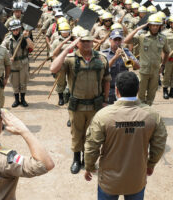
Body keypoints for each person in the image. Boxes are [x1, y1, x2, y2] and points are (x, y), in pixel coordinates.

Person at [84, 71, 167, 200]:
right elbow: (159, 145)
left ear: (116, 90)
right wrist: (151, 165)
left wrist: (89, 166)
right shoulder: (152, 116)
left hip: (109, 181)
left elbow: (92, 146)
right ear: (138, 89)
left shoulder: (103, 116)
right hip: (136, 179)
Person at [50, 30, 111, 174]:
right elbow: (53, 68)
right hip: (76, 105)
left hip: (95, 104)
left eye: (89, 40)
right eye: (83, 41)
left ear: (92, 41)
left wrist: (106, 100)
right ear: (77, 42)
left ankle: (88, 160)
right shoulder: (70, 59)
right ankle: (76, 159)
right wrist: (67, 48)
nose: (86, 43)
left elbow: (107, 80)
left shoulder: (101, 59)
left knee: (93, 134)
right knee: (76, 134)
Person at [124, 14, 170, 106]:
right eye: (153, 25)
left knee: (151, 94)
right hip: (143, 71)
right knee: (141, 94)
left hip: (155, 71)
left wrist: (163, 65)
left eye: (157, 25)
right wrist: (137, 29)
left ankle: (148, 111)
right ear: (149, 26)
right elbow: (126, 40)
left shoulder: (163, 38)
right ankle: (141, 113)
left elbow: (167, 52)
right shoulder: (142, 36)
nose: (155, 27)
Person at [2, 20, 34, 108]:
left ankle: (23, 99)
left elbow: (32, 46)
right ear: (11, 30)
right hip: (13, 64)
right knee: (14, 82)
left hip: (23, 63)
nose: (15, 31)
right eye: (14, 30)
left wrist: (27, 37)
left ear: (19, 29)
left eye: (17, 29)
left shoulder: (24, 37)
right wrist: (9, 55)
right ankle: (16, 100)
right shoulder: (8, 39)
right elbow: (2, 49)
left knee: (23, 81)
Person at [102, 30, 140, 104]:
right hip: (109, 88)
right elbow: (103, 69)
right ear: (110, 40)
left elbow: (137, 67)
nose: (117, 42)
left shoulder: (126, 52)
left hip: (123, 89)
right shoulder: (105, 53)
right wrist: (114, 58)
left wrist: (126, 56)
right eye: (115, 40)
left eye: (119, 40)